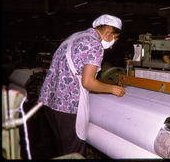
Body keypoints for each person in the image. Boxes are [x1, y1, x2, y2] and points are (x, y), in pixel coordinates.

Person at [38, 14, 126, 157]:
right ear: (109, 30)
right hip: (68, 107)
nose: (113, 43)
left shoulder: (74, 37)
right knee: (74, 154)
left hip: (50, 102)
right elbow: (88, 82)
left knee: (63, 152)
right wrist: (112, 89)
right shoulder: (95, 45)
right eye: (115, 38)